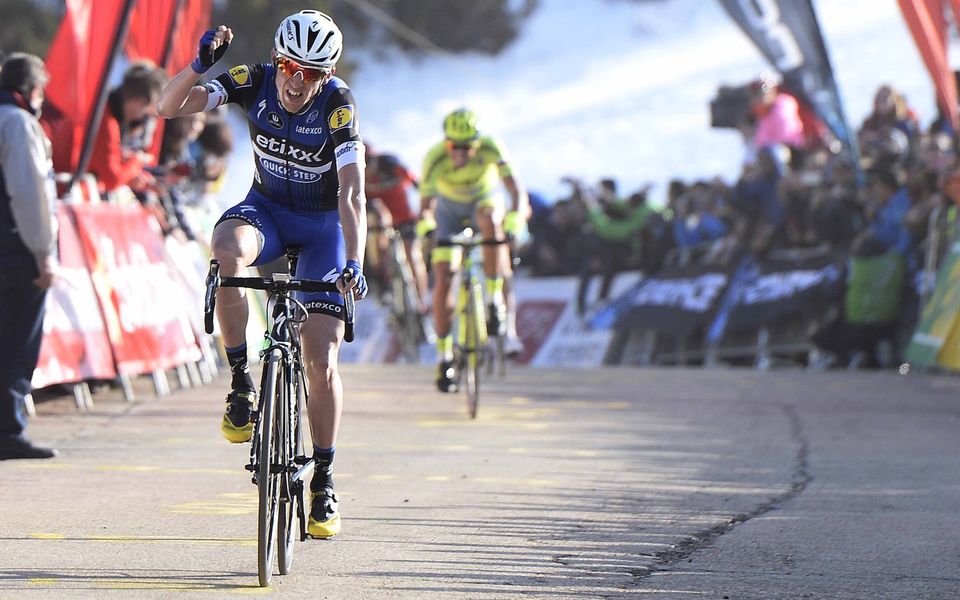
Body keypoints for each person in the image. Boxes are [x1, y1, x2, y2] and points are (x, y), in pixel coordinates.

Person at [157, 11, 367, 539]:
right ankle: (241, 385)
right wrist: (197, 68)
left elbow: (352, 193)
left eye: (312, 73)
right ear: (277, 60)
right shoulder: (252, 80)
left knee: (321, 361)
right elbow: (166, 107)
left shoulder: (338, 105)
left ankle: (323, 477)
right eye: (291, 66)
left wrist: (355, 262)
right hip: (267, 212)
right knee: (227, 252)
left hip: (323, 231)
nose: (298, 82)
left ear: (328, 74)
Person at [417, 108, 528, 392]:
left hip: (484, 201)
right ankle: (444, 357)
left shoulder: (492, 148)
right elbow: (425, 208)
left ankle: (494, 302)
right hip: (449, 212)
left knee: (492, 222)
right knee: (444, 276)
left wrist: (514, 223)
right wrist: (428, 230)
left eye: (468, 146)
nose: (461, 152)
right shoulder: (435, 157)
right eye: (455, 146)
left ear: (478, 143)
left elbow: (516, 192)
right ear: (446, 143)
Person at [0, 53, 58, 460]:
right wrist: (43, 253)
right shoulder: (19, 123)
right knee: (16, 343)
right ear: (34, 90)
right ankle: (8, 430)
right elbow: (30, 192)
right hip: (15, 249)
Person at [364, 144, 428, 311]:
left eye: (368, 161)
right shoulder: (354, 175)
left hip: (405, 219)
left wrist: (426, 211)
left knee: (413, 256)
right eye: (362, 162)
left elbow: (417, 184)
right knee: (375, 220)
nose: (366, 168)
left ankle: (420, 304)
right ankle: (380, 278)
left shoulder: (391, 164)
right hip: (380, 223)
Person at [88, 63, 167, 196]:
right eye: (147, 115)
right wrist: (136, 160)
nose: (143, 120)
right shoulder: (108, 123)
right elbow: (112, 180)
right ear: (138, 101)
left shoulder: (106, 112)